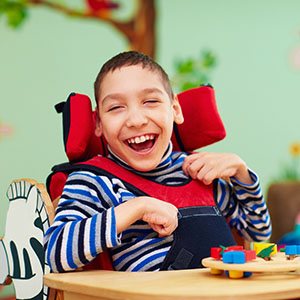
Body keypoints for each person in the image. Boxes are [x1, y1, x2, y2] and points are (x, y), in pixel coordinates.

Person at [45, 51, 271, 272]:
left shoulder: (200, 172)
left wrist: (242, 174)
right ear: (98, 124)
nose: (136, 120)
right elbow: (53, 253)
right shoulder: (94, 181)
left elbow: (258, 234)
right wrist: (137, 207)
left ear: (175, 109)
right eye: (115, 107)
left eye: (150, 101)